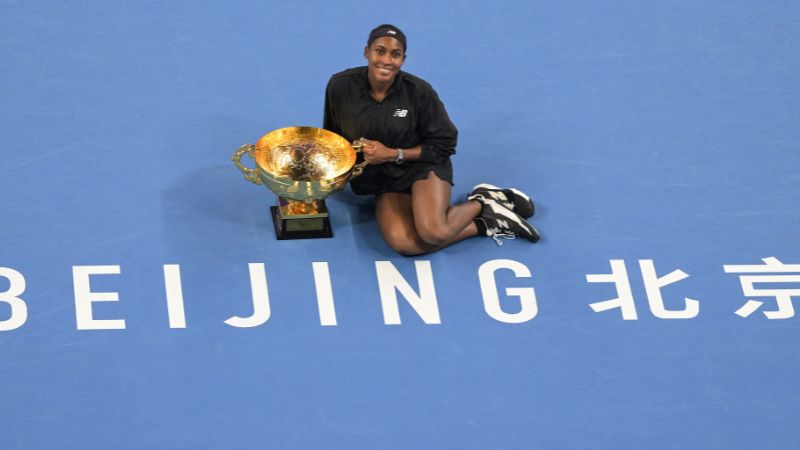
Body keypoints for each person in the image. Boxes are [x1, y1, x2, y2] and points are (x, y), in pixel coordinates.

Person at [323, 24, 540, 255]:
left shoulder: (419, 92)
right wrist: (332, 175)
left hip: (422, 166)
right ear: (367, 52)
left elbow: (445, 143)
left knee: (434, 232)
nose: (386, 60)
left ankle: (483, 202)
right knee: (404, 244)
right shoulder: (340, 86)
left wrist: (393, 154)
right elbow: (333, 137)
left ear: (403, 60)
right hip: (383, 180)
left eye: (395, 54)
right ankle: (487, 222)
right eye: (380, 51)